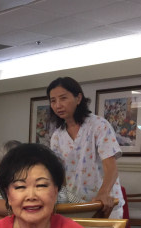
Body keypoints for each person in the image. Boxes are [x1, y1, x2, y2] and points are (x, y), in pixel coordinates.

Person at [48, 76, 124, 218]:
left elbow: (111, 166)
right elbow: (59, 172)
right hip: (74, 205)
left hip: (104, 204)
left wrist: (104, 193)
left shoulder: (98, 125)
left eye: (63, 98)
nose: (58, 105)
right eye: (53, 101)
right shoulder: (57, 136)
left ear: (78, 98)